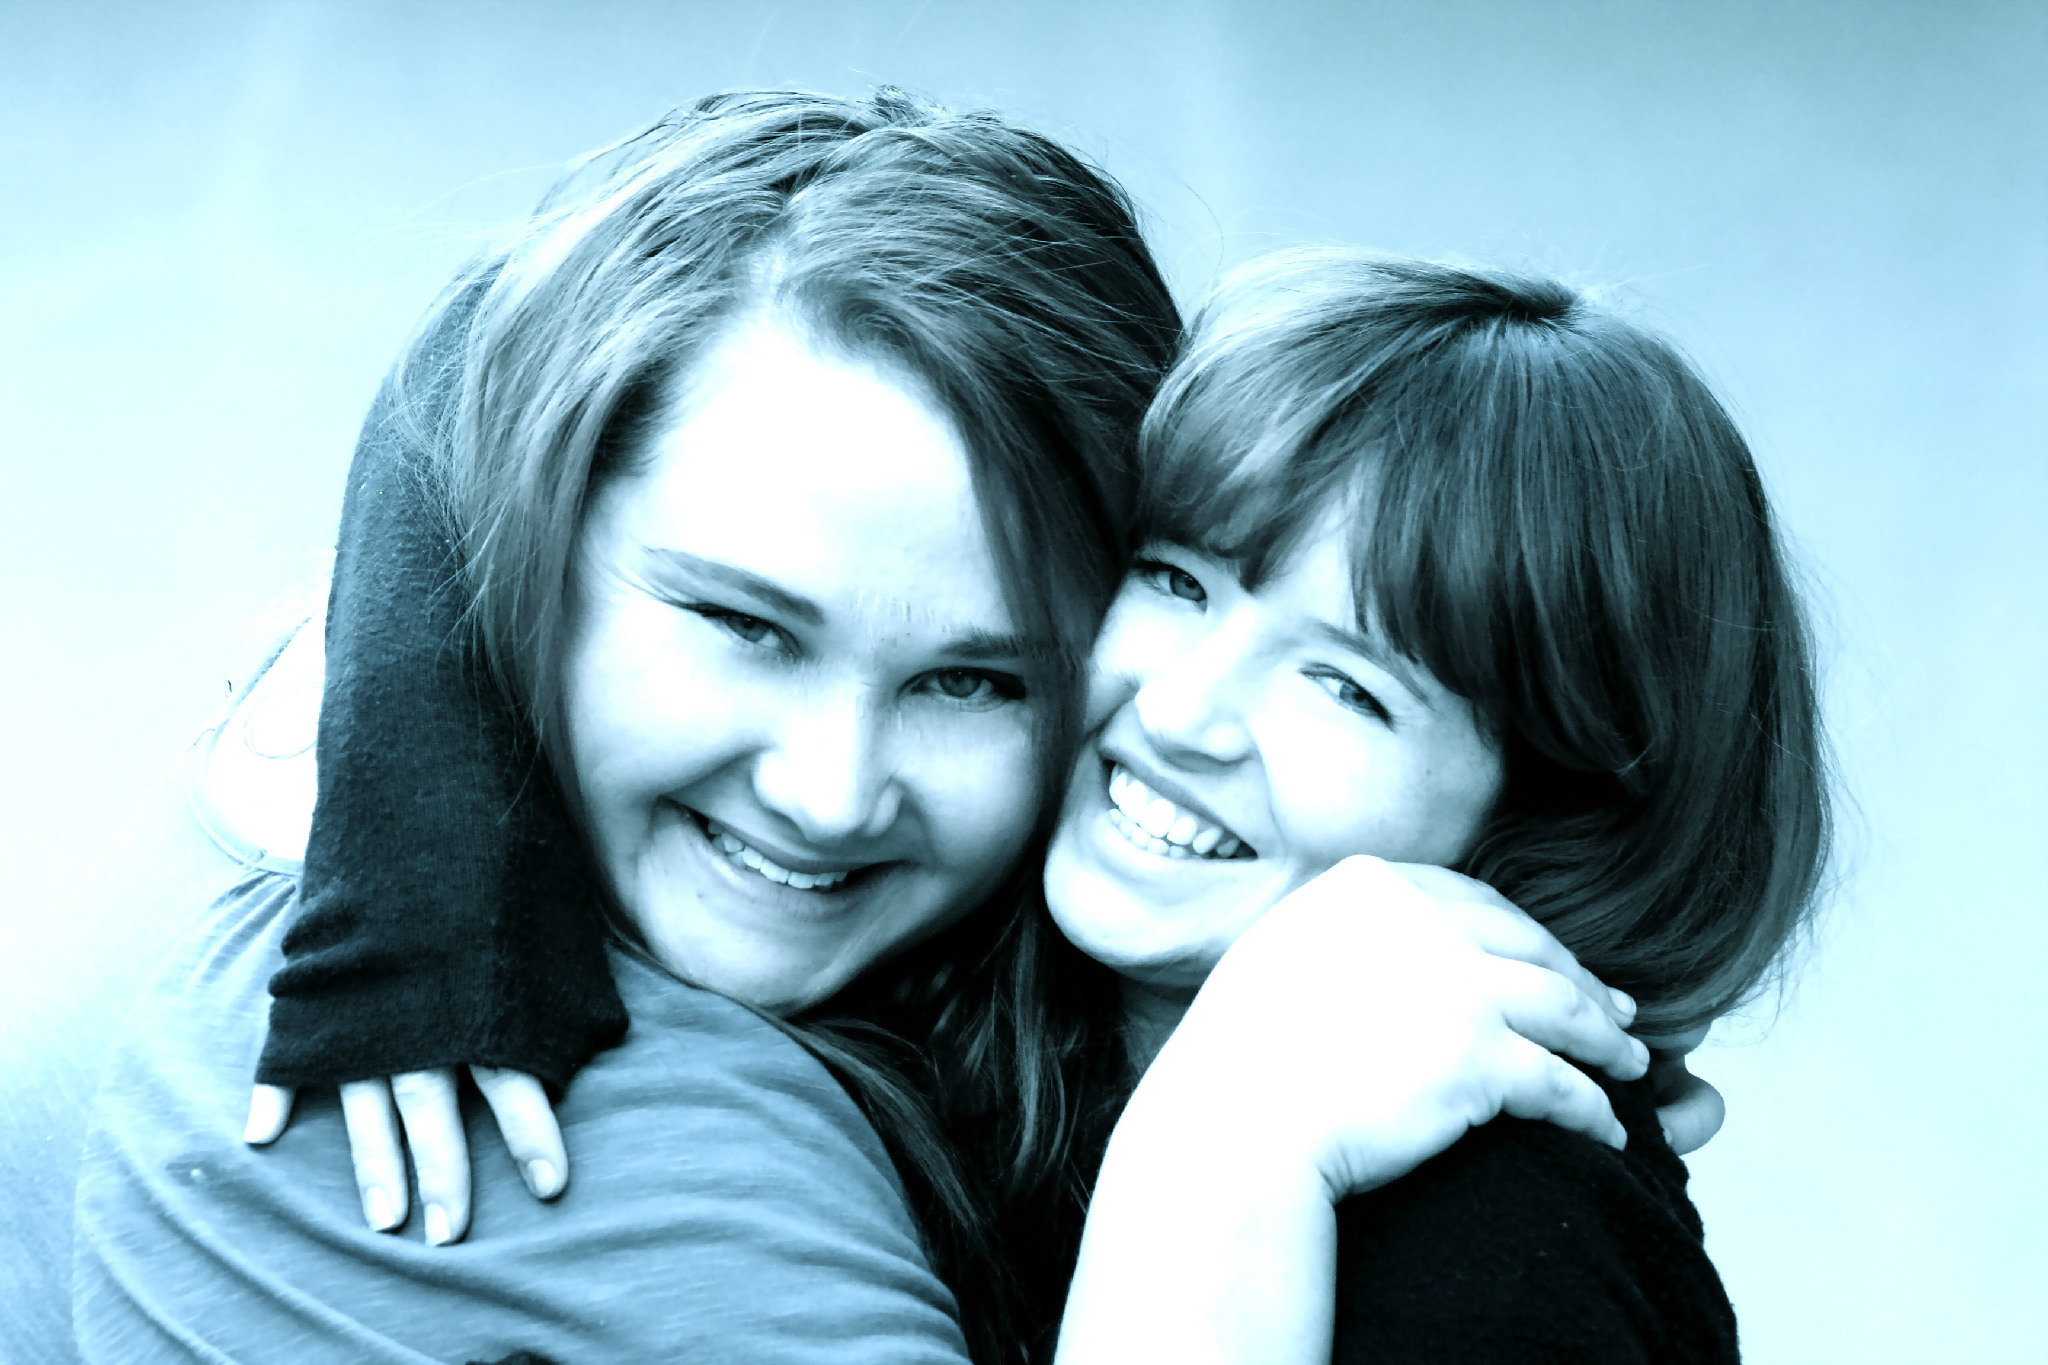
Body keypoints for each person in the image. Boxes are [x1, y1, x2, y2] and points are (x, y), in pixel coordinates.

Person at [53, 91, 1646, 1365]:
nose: (828, 792)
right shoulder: (582, 1135)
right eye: (745, 626)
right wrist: (1226, 1141)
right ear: (528, 521)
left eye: (976, 681)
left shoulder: (286, 756)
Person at [1052, 252, 1830, 1363]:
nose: (1180, 713)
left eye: (1344, 686)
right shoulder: (981, 1067)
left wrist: (1218, 1141)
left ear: (1553, 815)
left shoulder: (1502, 1243)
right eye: (1177, 579)